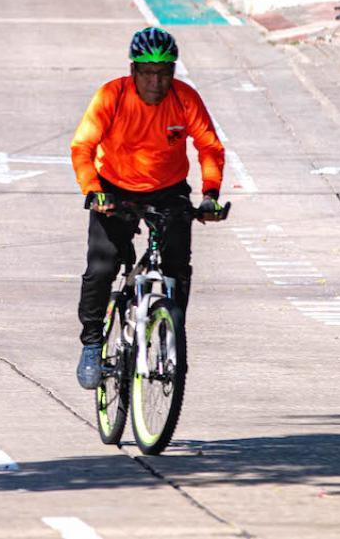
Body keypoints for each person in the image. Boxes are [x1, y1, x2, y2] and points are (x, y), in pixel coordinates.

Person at [69, 27, 226, 390]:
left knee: (176, 267)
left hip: (168, 190)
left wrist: (210, 194)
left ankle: (172, 332)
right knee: (101, 267)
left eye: (165, 71)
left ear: (174, 71)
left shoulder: (185, 99)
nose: (156, 81)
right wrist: (93, 191)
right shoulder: (111, 95)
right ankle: (92, 343)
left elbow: (209, 148)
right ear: (133, 70)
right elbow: (83, 147)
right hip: (113, 189)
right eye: (147, 72)